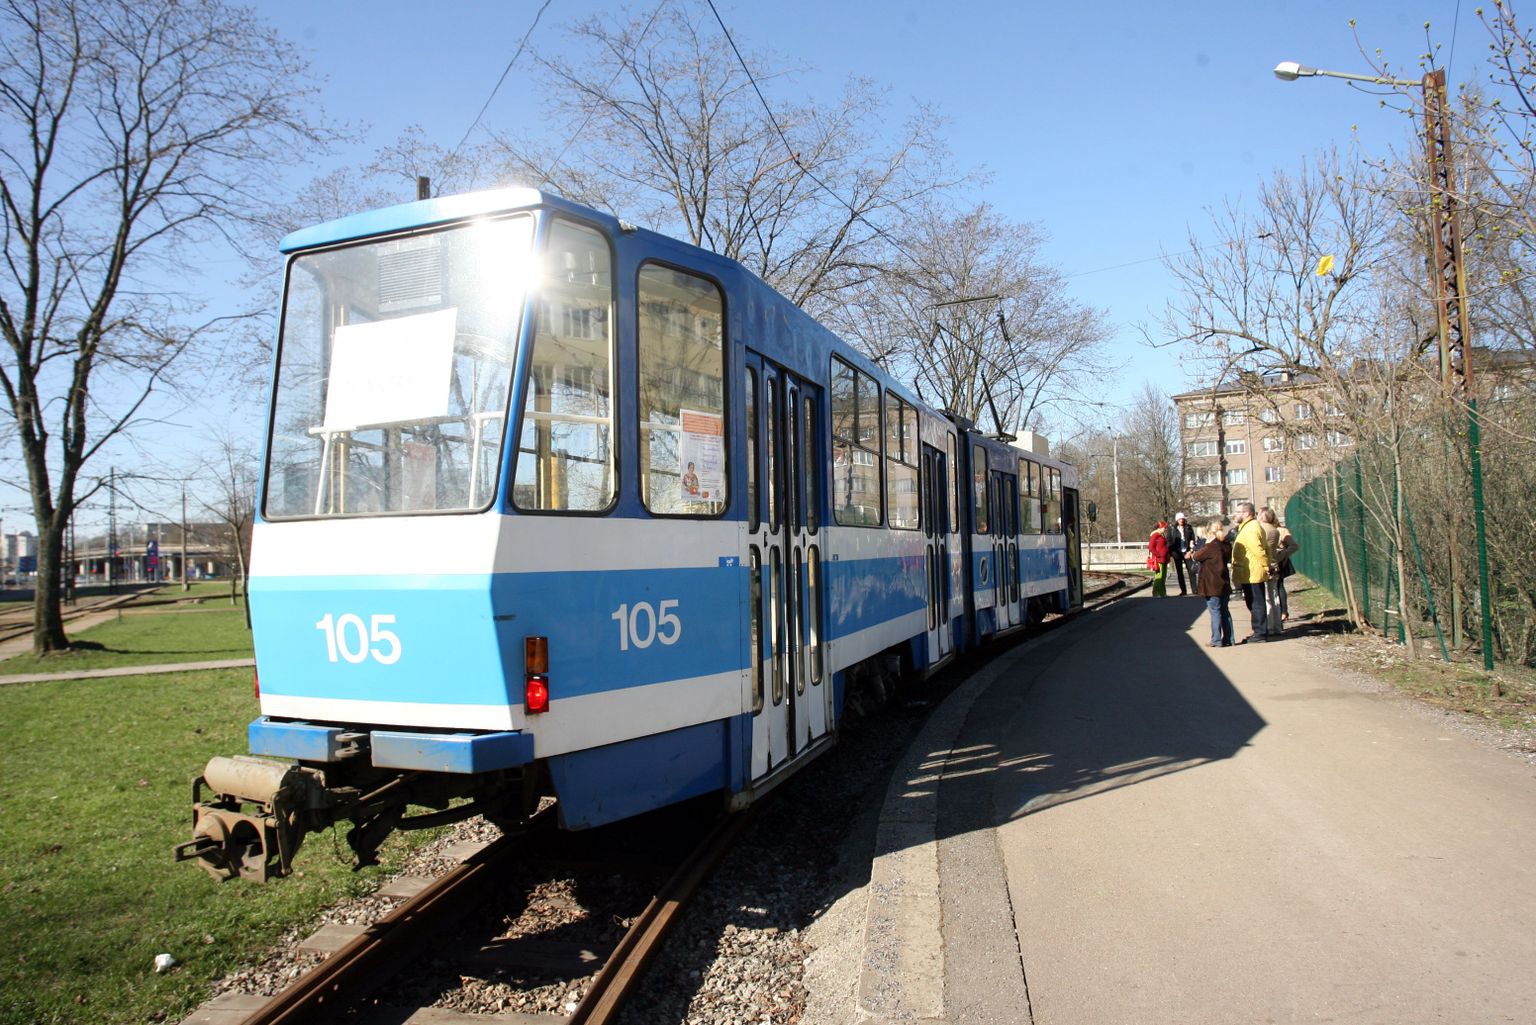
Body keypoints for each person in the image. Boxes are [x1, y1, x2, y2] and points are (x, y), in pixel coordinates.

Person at [1230, 500, 1278, 641]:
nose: (1235, 514)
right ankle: (1259, 631)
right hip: (1249, 571)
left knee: (1256, 603)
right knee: (1253, 602)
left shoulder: (1250, 528)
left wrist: (1266, 565)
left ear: (1247, 513)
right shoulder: (1247, 527)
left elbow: (1258, 550)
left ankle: (1260, 633)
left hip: (1253, 571)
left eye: (1238, 512)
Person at [1193, 519, 1233, 646]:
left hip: (1211, 584)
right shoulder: (1226, 546)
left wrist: (1206, 543)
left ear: (1210, 532)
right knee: (1225, 611)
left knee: (1215, 611)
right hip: (1224, 582)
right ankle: (1229, 639)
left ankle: (1216, 639)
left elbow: (1196, 556)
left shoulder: (1210, 547)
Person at [1260, 507, 1300, 621]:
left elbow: (1294, 546)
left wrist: (1282, 554)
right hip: (1270, 561)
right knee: (1274, 588)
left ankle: (1283, 612)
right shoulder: (1261, 529)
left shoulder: (1281, 531)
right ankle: (1277, 614)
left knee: (1279, 586)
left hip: (1279, 561)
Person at [1169, 512, 1196, 595]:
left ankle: (1195, 590)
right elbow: (1169, 541)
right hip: (1177, 553)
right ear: (1177, 520)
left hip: (1187, 551)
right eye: (1180, 519)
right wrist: (1172, 552)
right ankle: (1183, 591)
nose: (1181, 520)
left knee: (1191, 571)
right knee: (1180, 572)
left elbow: (1192, 539)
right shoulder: (1172, 529)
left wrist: (1190, 550)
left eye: (1183, 519)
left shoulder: (1188, 527)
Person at [1147, 520, 1170, 597]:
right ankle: (1156, 592)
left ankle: (1162, 592)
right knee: (1159, 577)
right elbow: (1151, 547)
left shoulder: (1162, 535)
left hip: (1164, 559)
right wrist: (1158, 554)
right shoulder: (1155, 535)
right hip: (1159, 559)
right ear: (1160, 528)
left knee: (1163, 577)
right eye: (1164, 528)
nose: (1166, 529)